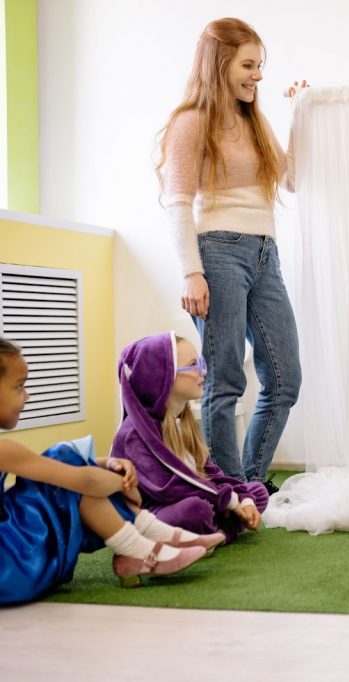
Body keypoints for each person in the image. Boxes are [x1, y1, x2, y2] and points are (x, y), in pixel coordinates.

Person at [157, 17, 305, 491]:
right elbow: (177, 201)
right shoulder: (191, 121)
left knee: (285, 379)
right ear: (219, 63)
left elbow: (294, 179)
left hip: (266, 254)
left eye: (259, 66)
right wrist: (191, 273)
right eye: (248, 64)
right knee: (224, 383)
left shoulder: (252, 119)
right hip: (217, 253)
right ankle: (229, 492)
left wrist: (300, 112)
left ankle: (250, 484)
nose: (256, 75)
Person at [0, 338, 214, 602]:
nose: (27, 395)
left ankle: (149, 537)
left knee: (64, 459)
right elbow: (85, 482)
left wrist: (108, 464)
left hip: (14, 562)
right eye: (19, 387)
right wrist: (122, 484)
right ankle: (140, 545)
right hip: (13, 566)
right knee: (66, 461)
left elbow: (50, 468)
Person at [112, 333, 268, 543]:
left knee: (256, 492)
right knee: (196, 510)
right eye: (193, 365)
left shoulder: (182, 421)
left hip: (194, 497)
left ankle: (210, 534)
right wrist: (230, 501)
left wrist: (243, 499)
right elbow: (170, 488)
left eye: (201, 363)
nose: (203, 371)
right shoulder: (133, 434)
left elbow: (210, 473)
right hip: (150, 512)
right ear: (161, 377)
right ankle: (221, 532)